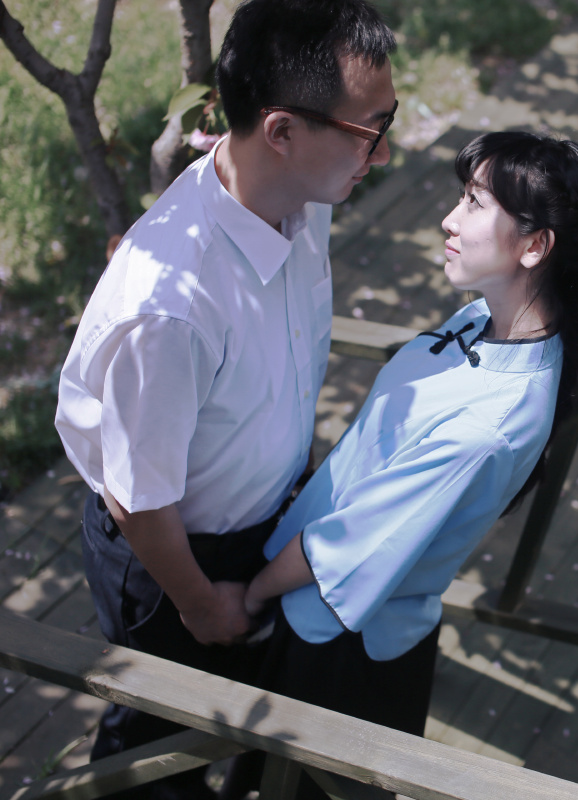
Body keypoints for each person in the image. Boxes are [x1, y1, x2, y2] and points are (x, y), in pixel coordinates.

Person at [53, 1, 397, 797]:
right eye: (371, 130)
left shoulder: (301, 200)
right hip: (177, 559)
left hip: (265, 520)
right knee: (155, 748)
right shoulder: (169, 308)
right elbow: (139, 498)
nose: (383, 155)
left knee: (244, 716)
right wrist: (201, 603)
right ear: (282, 131)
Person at [235, 130, 578, 798]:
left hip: (335, 644)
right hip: (332, 609)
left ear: (535, 246)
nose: (448, 219)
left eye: (475, 203)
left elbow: (340, 553)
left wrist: (249, 597)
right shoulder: (495, 319)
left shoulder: (487, 427)